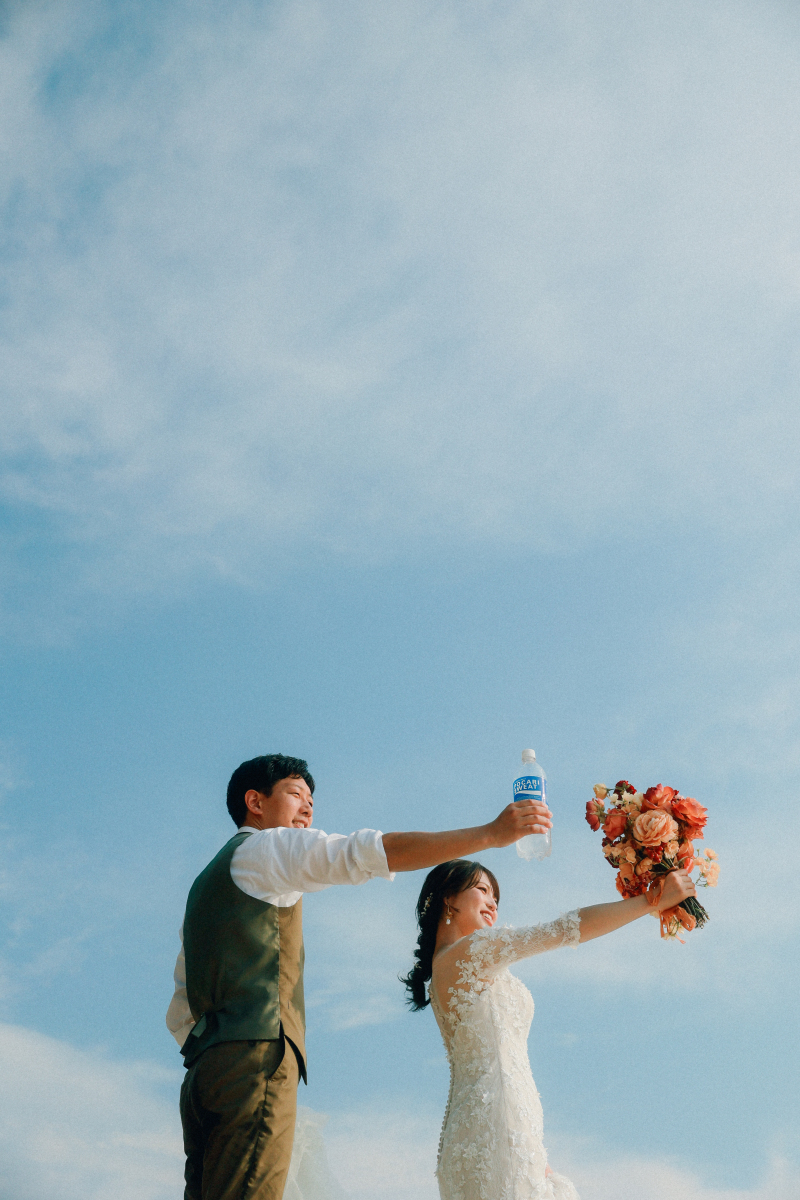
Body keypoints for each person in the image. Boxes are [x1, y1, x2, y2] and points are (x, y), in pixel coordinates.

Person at [166, 753, 553, 1200]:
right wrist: (490, 834)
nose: (309, 809)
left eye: (312, 799)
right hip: (255, 1058)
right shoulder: (266, 849)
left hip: (201, 1075)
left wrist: (215, 1057)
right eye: (296, 794)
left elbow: (184, 998)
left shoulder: (205, 884)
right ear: (255, 801)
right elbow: (369, 852)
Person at [402, 858, 697, 1200]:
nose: (493, 902)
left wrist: (532, 1148)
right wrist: (651, 902)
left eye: (495, 896)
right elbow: (565, 929)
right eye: (482, 890)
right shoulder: (467, 953)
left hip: (501, 1129)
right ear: (447, 899)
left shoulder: (454, 964)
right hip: (496, 1127)